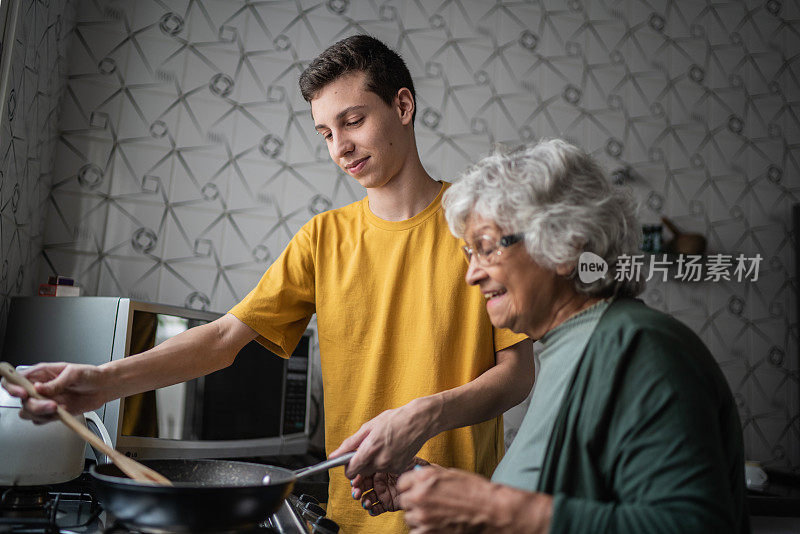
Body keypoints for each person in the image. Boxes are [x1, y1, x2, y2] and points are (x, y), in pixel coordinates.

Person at [1, 35, 533, 533]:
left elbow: (517, 375)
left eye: (353, 121)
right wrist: (100, 383)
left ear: (402, 106)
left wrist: (423, 414)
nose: (340, 148)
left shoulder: (479, 225)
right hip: (350, 518)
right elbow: (221, 339)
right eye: (326, 133)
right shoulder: (322, 239)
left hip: (456, 514)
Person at [351, 139, 749, 534]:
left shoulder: (641, 348)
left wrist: (493, 507)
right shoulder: (568, 349)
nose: (472, 273)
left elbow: (692, 525)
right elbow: (552, 498)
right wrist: (436, 492)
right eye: (470, 253)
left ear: (565, 246)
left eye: (488, 248)